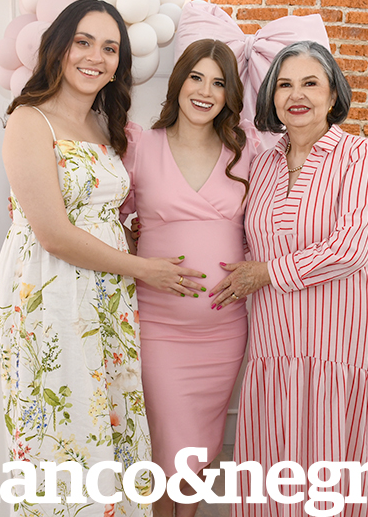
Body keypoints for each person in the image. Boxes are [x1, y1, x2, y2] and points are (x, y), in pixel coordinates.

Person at [0, 0, 205, 517]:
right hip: (55, 292)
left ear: (118, 64)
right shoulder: (29, 120)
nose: (96, 56)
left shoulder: (101, 122)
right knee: (67, 422)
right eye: (83, 42)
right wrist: (146, 270)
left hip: (106, 294)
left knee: (108, 415)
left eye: (110, 48)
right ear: (58, 48)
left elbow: (106, 211)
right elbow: (53, 234)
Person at [209, 41, 368, 517]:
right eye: (284, 84)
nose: (295, 95)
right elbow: (247, 237)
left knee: (342, 455)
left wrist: (266, 273)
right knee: (279, 448)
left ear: (333, 95)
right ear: (272, 98)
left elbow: (351, 248)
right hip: (278, 338)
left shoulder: (359, 155)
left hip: (345, 338)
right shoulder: (262, 163)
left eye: (310, 83)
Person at [120, 39, 258, 517]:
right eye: (196, 78)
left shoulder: (245, 150)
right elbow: (111, 218)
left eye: (218, 83)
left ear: (229, 95)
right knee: (167, 447)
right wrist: (140, 257)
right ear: (178, 82)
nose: (205, 91)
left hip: (224, 331)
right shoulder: (140, 145)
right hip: (159, 328)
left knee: (200, 446)